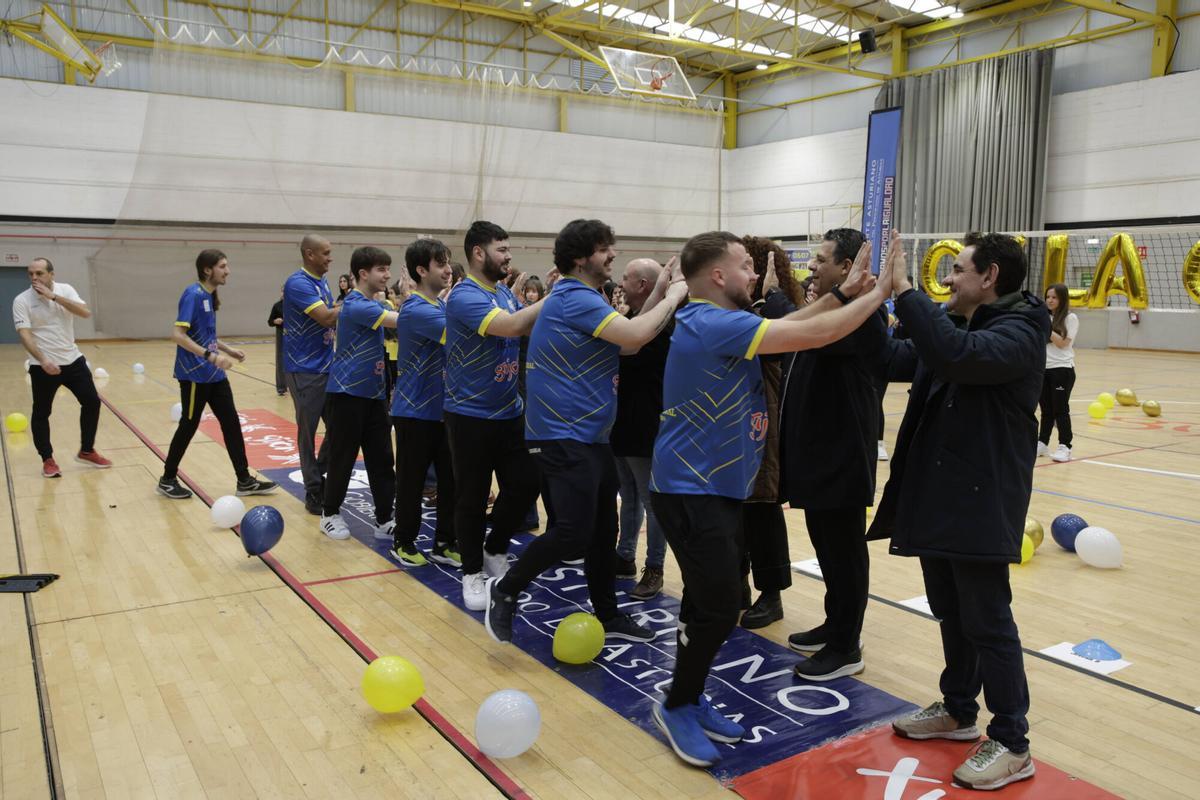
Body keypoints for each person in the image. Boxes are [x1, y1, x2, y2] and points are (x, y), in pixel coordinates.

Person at [648, 230, 890, 769]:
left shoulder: (717, 319)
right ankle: (678, 704)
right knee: (717, 607)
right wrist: (879, 294)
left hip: (713, 488)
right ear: (717, 276)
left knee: (708, 603)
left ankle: (689, 693)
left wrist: (849, 292)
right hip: (692, 491)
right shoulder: (709, 321)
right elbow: (817, 332)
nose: (755, 274)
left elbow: (796, 322)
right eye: (744, 267)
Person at [875, 231, 1046, 791]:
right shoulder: (962, 326)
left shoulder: (1017, 332)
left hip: (980, 501)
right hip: (941, 498)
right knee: (952, 610)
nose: (946, 279)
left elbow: (957, 357)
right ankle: (957, 710)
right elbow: (897, 356)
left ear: (989, 276)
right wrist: (862, 300)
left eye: (957, 269)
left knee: (989, 621)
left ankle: (1013, 741)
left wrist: (906, 294)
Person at [483, 219, 688, 646]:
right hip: (562, 434)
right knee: (574, 531)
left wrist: (658, 290)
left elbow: (627, 342)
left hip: (589, 435)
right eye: (604, 248)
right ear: (580, 259)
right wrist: (674, 295)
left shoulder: (585, 298)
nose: (612, 254)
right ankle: (504, 590)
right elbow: (635, 333)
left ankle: (609, 615)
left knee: (601, 533)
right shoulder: (575, 297)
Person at [777, 228, 889, 678]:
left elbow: (806, 333)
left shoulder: (859, 315)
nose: (812, 266)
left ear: (847, 267)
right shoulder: (830, 308)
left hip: (842, 454)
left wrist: (777, 298)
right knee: (827, 546)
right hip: (817, 452)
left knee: (843, 550)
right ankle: (835, 623)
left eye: (822, 259)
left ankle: (846, 646)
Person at [443, 221, 544, 611]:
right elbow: (513, 326)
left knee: (526, 483)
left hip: (509, 411)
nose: (509, 255)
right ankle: (471, 572)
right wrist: (557, 296)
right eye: (501, 249)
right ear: (478, 253)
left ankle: (495, 546)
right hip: (469, 415)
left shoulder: (503, 291)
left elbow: (525, 325)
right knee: (471, 496)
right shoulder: (465, 296)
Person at [157, 250, 277, 500]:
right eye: (222, 266)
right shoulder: (193, 294)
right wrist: (211, 356)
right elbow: (178, 335)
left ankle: (244, 480)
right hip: (194, 375)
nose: (227, 270)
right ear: (207, 269)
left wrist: (227, 350)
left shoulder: (209, 297)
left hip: (214, 375)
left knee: (231, 424)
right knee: (188, 426)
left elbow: (206, 336)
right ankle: (167, 479)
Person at [737, 236, 806, 630]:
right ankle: (737, 583)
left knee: (762, 511)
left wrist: (765, 300)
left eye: (749, 265)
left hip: (764, 422)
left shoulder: (779, 314)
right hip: (730, 425)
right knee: (733, 512)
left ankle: (771, 593)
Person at [319, 247, 400, 541]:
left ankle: (383, 520)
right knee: (342, 458)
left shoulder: (373, 303)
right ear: (363, 274)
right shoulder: (356, 305)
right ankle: (329, 513)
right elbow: (404, 321)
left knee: (381, 460)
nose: (387, 275)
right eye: (381, 269)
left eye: (388, 269)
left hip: (374, 395)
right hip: (346, 395)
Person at [390, 238, 460, 567]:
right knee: (411, 481)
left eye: (448, 262)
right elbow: (461, 339)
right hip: (414, 411)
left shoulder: (439, 306)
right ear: (422, 270)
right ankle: (403, 541)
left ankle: (445, 542)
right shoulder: (417, 309)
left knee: (450, 480)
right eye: (441, 263)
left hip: (443, 411)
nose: (448, 269)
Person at [13, 257, 111, 478]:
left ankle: (87, 450)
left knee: (92, 402)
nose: (34, 278)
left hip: (73, 361)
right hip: (42, 366)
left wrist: (54, 297)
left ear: (51, 274)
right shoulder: (22, 300)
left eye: (39, 273)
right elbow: (25, 335)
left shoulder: (65, 290)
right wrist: (43, 359)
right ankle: (47, 459)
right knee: (41, 413)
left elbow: (85, 312)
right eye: (31, 274)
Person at [611, 258, 672, 600]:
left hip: (645, 424)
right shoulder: (632, 321)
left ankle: (655, 568)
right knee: (628, 496)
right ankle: (624, 556)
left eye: (627, 278)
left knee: (651, 502)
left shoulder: (658, 325)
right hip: (621, 424)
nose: (620, 282)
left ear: (645, 286)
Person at [282, 234, 339, 515]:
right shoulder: (298, 283)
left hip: (328, 367)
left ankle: (319, 472)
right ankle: (313, 489)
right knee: (308, 431)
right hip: (304, 370)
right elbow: (327, 317)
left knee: (338, 426)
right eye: (325, 253)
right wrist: (360, 303)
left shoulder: (322, 282)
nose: (330, 257)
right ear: (309, 254)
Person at [1038, 283, 1077, 463]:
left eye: (1054, 297)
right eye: (1048, 297)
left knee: (1060, 409)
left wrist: (1046, 324)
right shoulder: (1044, 317)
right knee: (1046, 410)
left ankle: (1065, 446)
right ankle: (1043, 443)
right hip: (1043, 369)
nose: (1050, 300)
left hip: (1062, 370)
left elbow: (1062, 343)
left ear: (1062, 299)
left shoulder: (1071, 318)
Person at [268, 290, 285, 395]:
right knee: (280, 359)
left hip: (294, 334)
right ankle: (281, 387)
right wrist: (275, 321)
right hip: (281, 333)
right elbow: (270, 321)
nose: (284, 293)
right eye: (283, 291)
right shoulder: (277, 306)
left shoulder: (294, 305)